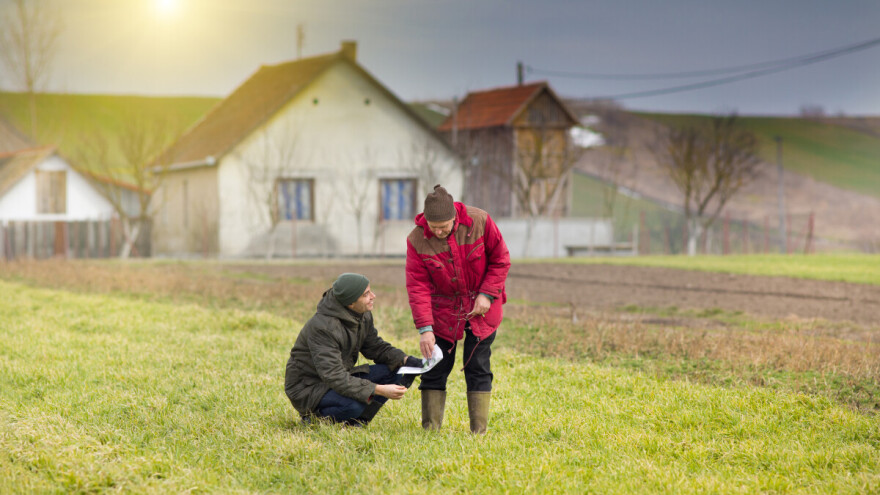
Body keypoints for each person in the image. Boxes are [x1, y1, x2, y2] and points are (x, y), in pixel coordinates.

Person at [405, 184, 511, 434]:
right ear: (426, 222)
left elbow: (500, 259)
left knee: (478, 366)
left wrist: (487, 294)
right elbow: (417, 286)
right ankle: (430, 430)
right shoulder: (417, 240)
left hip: (482, 308)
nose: (439, 231)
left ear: (455, 216)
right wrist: (425, 329)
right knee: (435, 366)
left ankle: (478, 432)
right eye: (434, 227)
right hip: (442, 311)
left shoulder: (480, 222)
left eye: (444, 226)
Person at [284, 273, 422, 426]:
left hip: (337, 376)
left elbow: (374, 346)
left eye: (370, 291)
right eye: (366, 294)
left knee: (394, 371)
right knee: (353, 406)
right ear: (350, 303)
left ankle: (358, 422)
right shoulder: (323, 327)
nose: (373, 296)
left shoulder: (361, 314)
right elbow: (333, 375)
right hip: (309, 388)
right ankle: (313, 419)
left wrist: (405, 359)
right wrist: (379, 390)